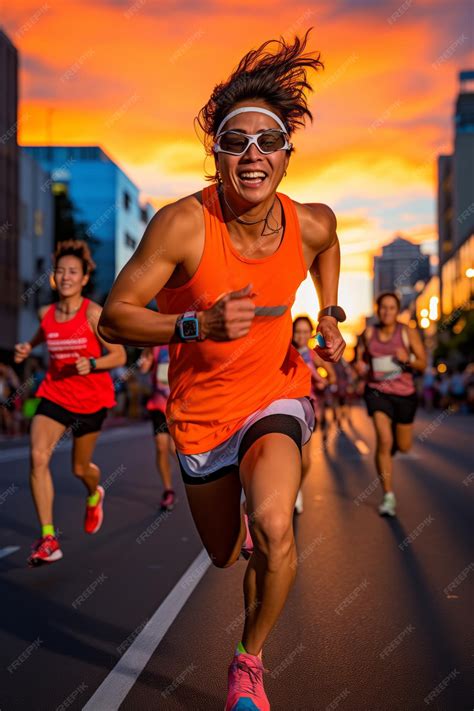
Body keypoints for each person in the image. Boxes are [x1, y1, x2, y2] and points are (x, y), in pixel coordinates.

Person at [98, 30, 345, 710]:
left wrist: (328, 314)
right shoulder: (183, 225)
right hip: (201, 416)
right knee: (226, 552)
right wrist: (194, 324)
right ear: (217, 154)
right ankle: (237, 541)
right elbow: (113, 316)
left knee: (275, 525)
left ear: (287, 156)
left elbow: (330, 246)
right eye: (236, 142)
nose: (253, 153)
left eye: (268, 140)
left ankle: (247, 659)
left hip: (277, 394)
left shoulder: (309, 221)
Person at [14, 240, 126, 567]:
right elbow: (43, 336)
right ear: (54, 277)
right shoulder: (45, 313)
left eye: (72, 272)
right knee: (38, 457)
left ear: (84, 279)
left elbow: (118, 355)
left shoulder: (93, 313)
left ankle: (95, 493)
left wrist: (92, 364)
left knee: (80, 468)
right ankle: (48, 538)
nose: (65, 277)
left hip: (91, 400)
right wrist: (26, 348)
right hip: (54, 394)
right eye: (60, 271)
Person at [355, 292, 426, 517]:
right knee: (384, 439)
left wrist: (407, 359)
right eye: (383, 307)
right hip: (377, 392)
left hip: (404, 394)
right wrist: (359, 366)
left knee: (403, 447)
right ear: (377, 310)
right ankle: (388, 495)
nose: (387, 311)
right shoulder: (369, 333)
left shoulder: (407, 332)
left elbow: (423, 364)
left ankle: (393, 446)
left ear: (397, 311)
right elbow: (360, 359)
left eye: (392, 308)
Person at [291, 315, 336, 513]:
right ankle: (288, 493)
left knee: (305, 461)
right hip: (285, 408)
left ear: (310, 334)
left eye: (304, 332)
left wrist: (323, 381)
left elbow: (332, 377)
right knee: (288, 458)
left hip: (308, 410)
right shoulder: (286, 352)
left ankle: (297, 489)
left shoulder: (314, 355)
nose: (300, 336)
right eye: (297, 331)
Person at [140, 345, 177, 510]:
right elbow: (143, 368)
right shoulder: (154, 346)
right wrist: (145, 356)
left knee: (175, 449)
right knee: (161, 447)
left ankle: (198, 479)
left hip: (179, 407)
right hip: (158, 405)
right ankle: (168, 490)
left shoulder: (182, 340)